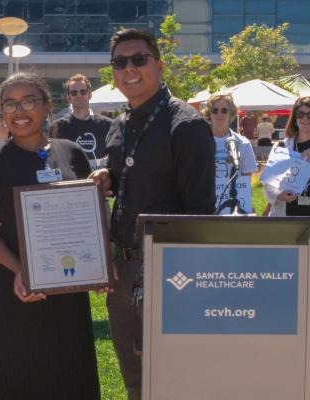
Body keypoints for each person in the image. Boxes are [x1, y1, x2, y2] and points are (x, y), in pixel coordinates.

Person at [90, 29, 215, 399]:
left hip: (167, 272)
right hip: (122, 270)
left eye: (139, 59)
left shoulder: (187, 125)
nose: (129, 68)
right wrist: (106, 177)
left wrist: (178, 280)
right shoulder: (119, 126)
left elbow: (200, 214)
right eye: (119, 62)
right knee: (133, 378)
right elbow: (134, 178)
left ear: (159, 65)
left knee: (170, 379)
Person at [0, 72, 101, 400]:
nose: (19, 110)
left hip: (67, 293)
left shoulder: (71, 152)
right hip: (14, 289)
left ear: (47, 105)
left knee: (69, 378)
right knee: (14, 378)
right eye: (10, 104)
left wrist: (99, 264)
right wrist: (19, 269)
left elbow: (90, 218)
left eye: (28, 101)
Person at [202, 94, 257, 214]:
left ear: (231, 113)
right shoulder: (198, 142)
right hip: (205, 207)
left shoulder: (243, 143)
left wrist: (247, 205)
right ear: (208, 114)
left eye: (224, 110)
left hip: (233, 208)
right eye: (214, 110)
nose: (219, 114)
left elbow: (246, 180)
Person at [50, 74, 112, 170]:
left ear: (90, 94)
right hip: (73, 183)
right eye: (74, 93)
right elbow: (54, 159)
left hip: (101, 182)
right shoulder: (58, 126)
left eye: (83, 92)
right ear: (68, 97)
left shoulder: (108, 125)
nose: (79, 95)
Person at [263, 96, 310, 216]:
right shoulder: (281, 146)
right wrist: (278, 195)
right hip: (285, 217)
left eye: (309, 114)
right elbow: (268, 182)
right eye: (300, 114)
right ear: (294, 117)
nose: (305, 118)